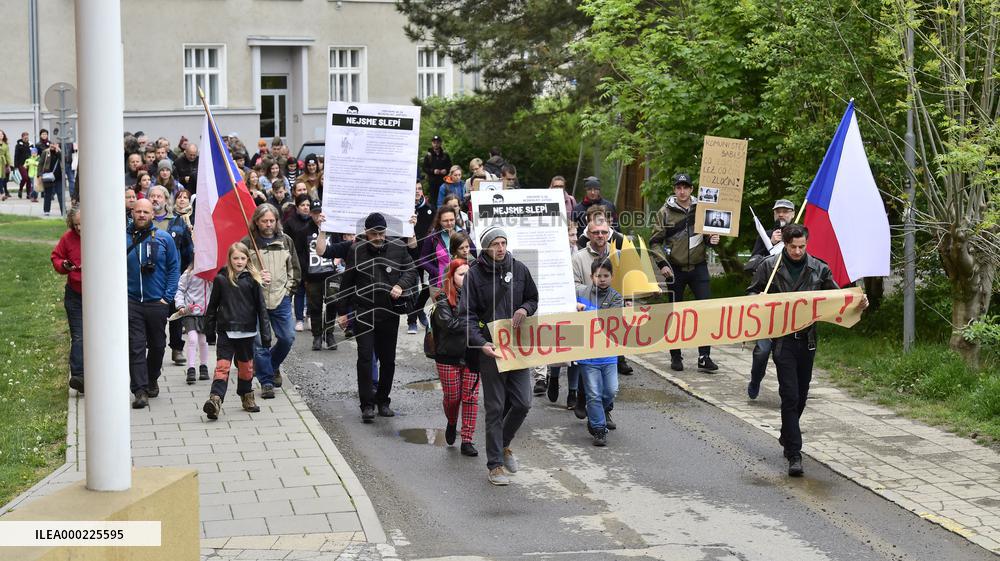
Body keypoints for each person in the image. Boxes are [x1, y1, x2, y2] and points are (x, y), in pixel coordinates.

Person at [748, 224, 868, 476]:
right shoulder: (769, 267)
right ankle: (794, 453)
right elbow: (750, 296)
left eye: (802, 247)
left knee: (801, 396)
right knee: (789, 395)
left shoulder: (819, 268)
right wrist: (757, 298)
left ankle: (786, 433)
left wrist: (859, 302)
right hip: (782, 341)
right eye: (793, 247)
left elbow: (838, 299)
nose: (797, 251)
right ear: (786, 244)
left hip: (808, 341)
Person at [458, 226, 539, 486]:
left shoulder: (519, 269)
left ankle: (503, 444)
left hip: (517, 347)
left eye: (503, 242)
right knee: (494, 407)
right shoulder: (474, 275)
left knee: (523, 402)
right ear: (486, 247)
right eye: (495, 244)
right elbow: (466, 316)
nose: (500, 248)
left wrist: (525, 310)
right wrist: (481, 344)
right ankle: (494, 465)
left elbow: (533, 298)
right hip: (491, 349)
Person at [336, 212, 417, 422]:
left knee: (388, 360)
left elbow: (411, 271)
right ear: (366, 233)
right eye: (374, 233)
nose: (379, 237)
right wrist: (342, 312)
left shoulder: (398, 247)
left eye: (382, 232)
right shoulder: (356, 250)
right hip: (364, 311)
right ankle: (367, 405)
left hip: (389, 312)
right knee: (364, 358)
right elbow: (347, 282)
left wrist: (401, 285)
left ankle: (383, 400)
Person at [649, 172, 720, 373]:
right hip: (674, 269)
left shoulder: (702, 208)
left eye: (685, 187)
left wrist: (711, 240)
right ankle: (675, 354)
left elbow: (707, 234)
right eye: (678, 187)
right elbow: (655, 241)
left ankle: (704, 356)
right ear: (675, 189)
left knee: (706, 311)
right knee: (674, 313)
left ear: (691, 189)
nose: (682, 191)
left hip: (698, 266)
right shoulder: (664, 212)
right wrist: (662, 264)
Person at [202, 242, 273, 419]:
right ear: (230, 259)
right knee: (222, 367)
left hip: (247, 331)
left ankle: (246, 395)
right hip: (226, 330)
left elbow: (261, 309)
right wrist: (209, 330)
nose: (239, 261)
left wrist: (266, 335)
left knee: (246, 367)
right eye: (235, 258)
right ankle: (215, 399)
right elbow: (212, 306)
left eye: (242, 258)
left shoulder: (253, 280)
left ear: (248, 259)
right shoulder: (221, 279)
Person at [242, 204, 301, 399]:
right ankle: (266, 381)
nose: (268, 224)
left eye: (272, 221)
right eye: (264, 221)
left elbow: (294, 269)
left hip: (280, 297)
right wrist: (256, 276)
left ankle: (272, 365)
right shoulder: (247, 243)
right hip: (256, 301)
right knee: (260, 343)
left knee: (287, 337)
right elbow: (239, 271)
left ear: (277, 221)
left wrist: (287, 292)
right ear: (256, 221)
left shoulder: (286, 241)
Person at [126, 199, 181, 409]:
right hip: (132, 302)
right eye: (138, 211)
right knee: (136, 347)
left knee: (158, 346)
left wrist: (167, 297)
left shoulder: (164, 238)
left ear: (152, 214)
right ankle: (140, 390)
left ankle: (152, 377)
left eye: (145, 212)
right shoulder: (121, 236)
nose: (141, 215)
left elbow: (174, 268)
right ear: (132, 213)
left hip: (157, 302)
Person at [747, 199, 796, 400]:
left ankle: (790, 390)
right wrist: (772, 244)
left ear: (793, 214)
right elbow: (751, 264)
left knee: (784, 355)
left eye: (785, 211)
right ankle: (755, 379)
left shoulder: (799, 238)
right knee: (762, 351)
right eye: (778, 212)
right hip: (767, 305)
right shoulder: (765, 235)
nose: (781, 215)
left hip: (790, 307)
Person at [431, 258, 480, 457]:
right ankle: (452, 422)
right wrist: (473, 322)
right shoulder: (443, 300)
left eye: (469, 274)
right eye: (461, 274)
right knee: (453, 398)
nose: (466, 278)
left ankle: (467, 439)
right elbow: (449, 325)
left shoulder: (478, 297)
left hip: (473, 355)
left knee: (470, 398)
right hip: (448, 356)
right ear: (451, 277)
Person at [576, 258, 624, 446]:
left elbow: (611, 319)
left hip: (609, 354)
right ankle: (598, 429)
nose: (602, 279)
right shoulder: (581, 293)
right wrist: (574, 308)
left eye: (606, 276)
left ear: (612, 277)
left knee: (611, 390)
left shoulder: (616, 297)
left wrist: (586, 309)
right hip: (587, 356)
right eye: (598, 276)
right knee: (594, 394)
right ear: (591, 276)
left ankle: (596, 412)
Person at [548, 219, 583, 407]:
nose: (575, 238)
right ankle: (553, 378)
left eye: (575, 234)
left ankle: (572, 391)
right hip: (557, 305)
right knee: (557, 347)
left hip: (576, 305)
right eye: (571, 235)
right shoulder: (552, 255)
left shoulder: (578, 254)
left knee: (575, 351)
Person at [51, 207, 84, 393]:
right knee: (78, 334)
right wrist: (64, 265)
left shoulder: (100, 233)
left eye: (82, 224)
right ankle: (78, 375)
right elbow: (56, 257)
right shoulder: (68, 238)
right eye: (76, 225)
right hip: (75, 292)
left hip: (98, 294)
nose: (79, 228)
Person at [175, 261, 212, 384]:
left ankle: (203, 366)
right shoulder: (188, 274)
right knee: (192, 339)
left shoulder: (211, 275)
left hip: (205, 314)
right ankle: (191, 368)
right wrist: (180, 305)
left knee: (203, 340)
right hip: (190, 313)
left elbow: (214, 292)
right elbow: (180, 290)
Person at [407, 178, 435, 333]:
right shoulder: (405, 209)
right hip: (409, 253)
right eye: (414, 189)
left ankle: (419, 310)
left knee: (425, 287)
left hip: (426, 255)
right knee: (411, 288)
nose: (417, 191)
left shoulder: (430, 209)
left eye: (419, 188)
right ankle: (412, 321)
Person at [283, 195, 314, 333]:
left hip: (313, 261)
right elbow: (286, 242)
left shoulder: (315, 221)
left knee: (313, 292)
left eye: (308, 205)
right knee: (300, 291)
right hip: (297, 260)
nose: (306, 207)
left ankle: (310, 317)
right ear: (297, 207)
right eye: (302, 205)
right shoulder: (290, 222)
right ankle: (299, 319)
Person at [419, 206, 461, 307]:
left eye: (452, 220)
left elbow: (473, 254)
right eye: (445, 221)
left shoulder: (462, 234)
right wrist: (435, 271)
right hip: (438, 285)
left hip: (460, 284)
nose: (449, 223)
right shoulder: (432, 237)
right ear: (439, 221)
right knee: (442, 318)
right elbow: (422, 259)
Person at [421, 135, 451, 204]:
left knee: (444, 198)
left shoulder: (445, 155)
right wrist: (433, 171)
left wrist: (446, 170)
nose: (436, 144)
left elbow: (450, 166)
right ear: (432, 143)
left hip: (443, 181)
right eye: (434, 142)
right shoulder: (428, 156)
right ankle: (434, 213)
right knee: (433, 199)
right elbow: (425, 168)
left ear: (440, 143)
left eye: (437, 142)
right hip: (432, 182)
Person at [38, 143, 62, 216]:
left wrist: (58, 150)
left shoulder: (59, 152)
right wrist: (39, 175)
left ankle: (63, 211)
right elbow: (41, 164)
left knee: (60, 194)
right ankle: (46, 210)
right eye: (52, 144)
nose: (53, 145)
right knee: (48, 194)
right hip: (47, 176)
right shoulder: (45, 152)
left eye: (55, 144)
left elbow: (63, 159)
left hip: (58, 177)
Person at [14, 132, 32, 199]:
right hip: (21, 164)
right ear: (22, 137)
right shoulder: (18, 145)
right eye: (25, 137)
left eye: (27, 137)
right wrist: (15, 166)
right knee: (25, 177)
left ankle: (28, 194)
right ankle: (20, 189)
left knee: (29, 179)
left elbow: (34, 153)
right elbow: (16, 156)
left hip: (30, 164)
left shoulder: (30, 145)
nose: (26, 138)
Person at [0, 130, 11, 201]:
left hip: (2, 162)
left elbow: (8, 155)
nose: (0, 135)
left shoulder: (5, 145)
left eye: (1, 134)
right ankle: (2, 193)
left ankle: (2, 193)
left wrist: (9, 165)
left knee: (1, 178)